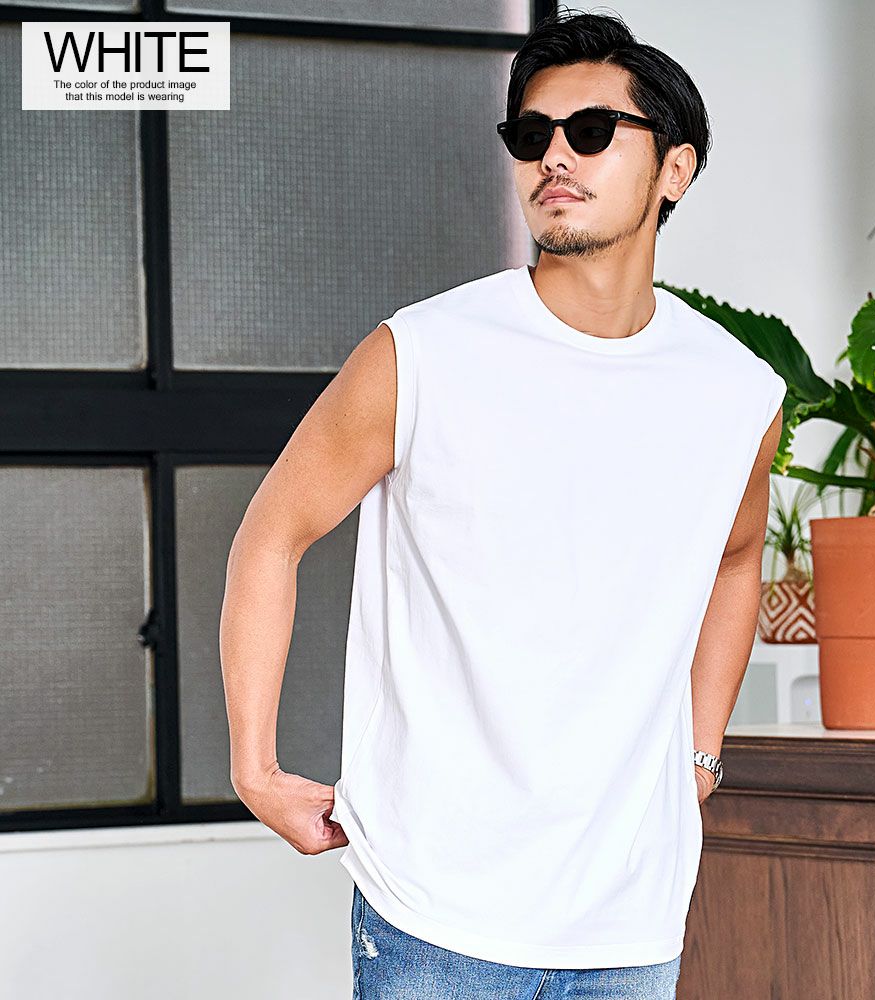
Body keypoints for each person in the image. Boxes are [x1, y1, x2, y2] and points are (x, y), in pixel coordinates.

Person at [221, 9, 785, 999]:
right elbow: (272, 534)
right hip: (433, 911)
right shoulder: (422, 354)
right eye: (531, 136)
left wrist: (699, 755)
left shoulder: (736, 391)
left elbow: (737, 560)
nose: (553, 157)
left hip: (630, 915)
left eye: (592, 131)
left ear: (675, 170)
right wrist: (254, 767)